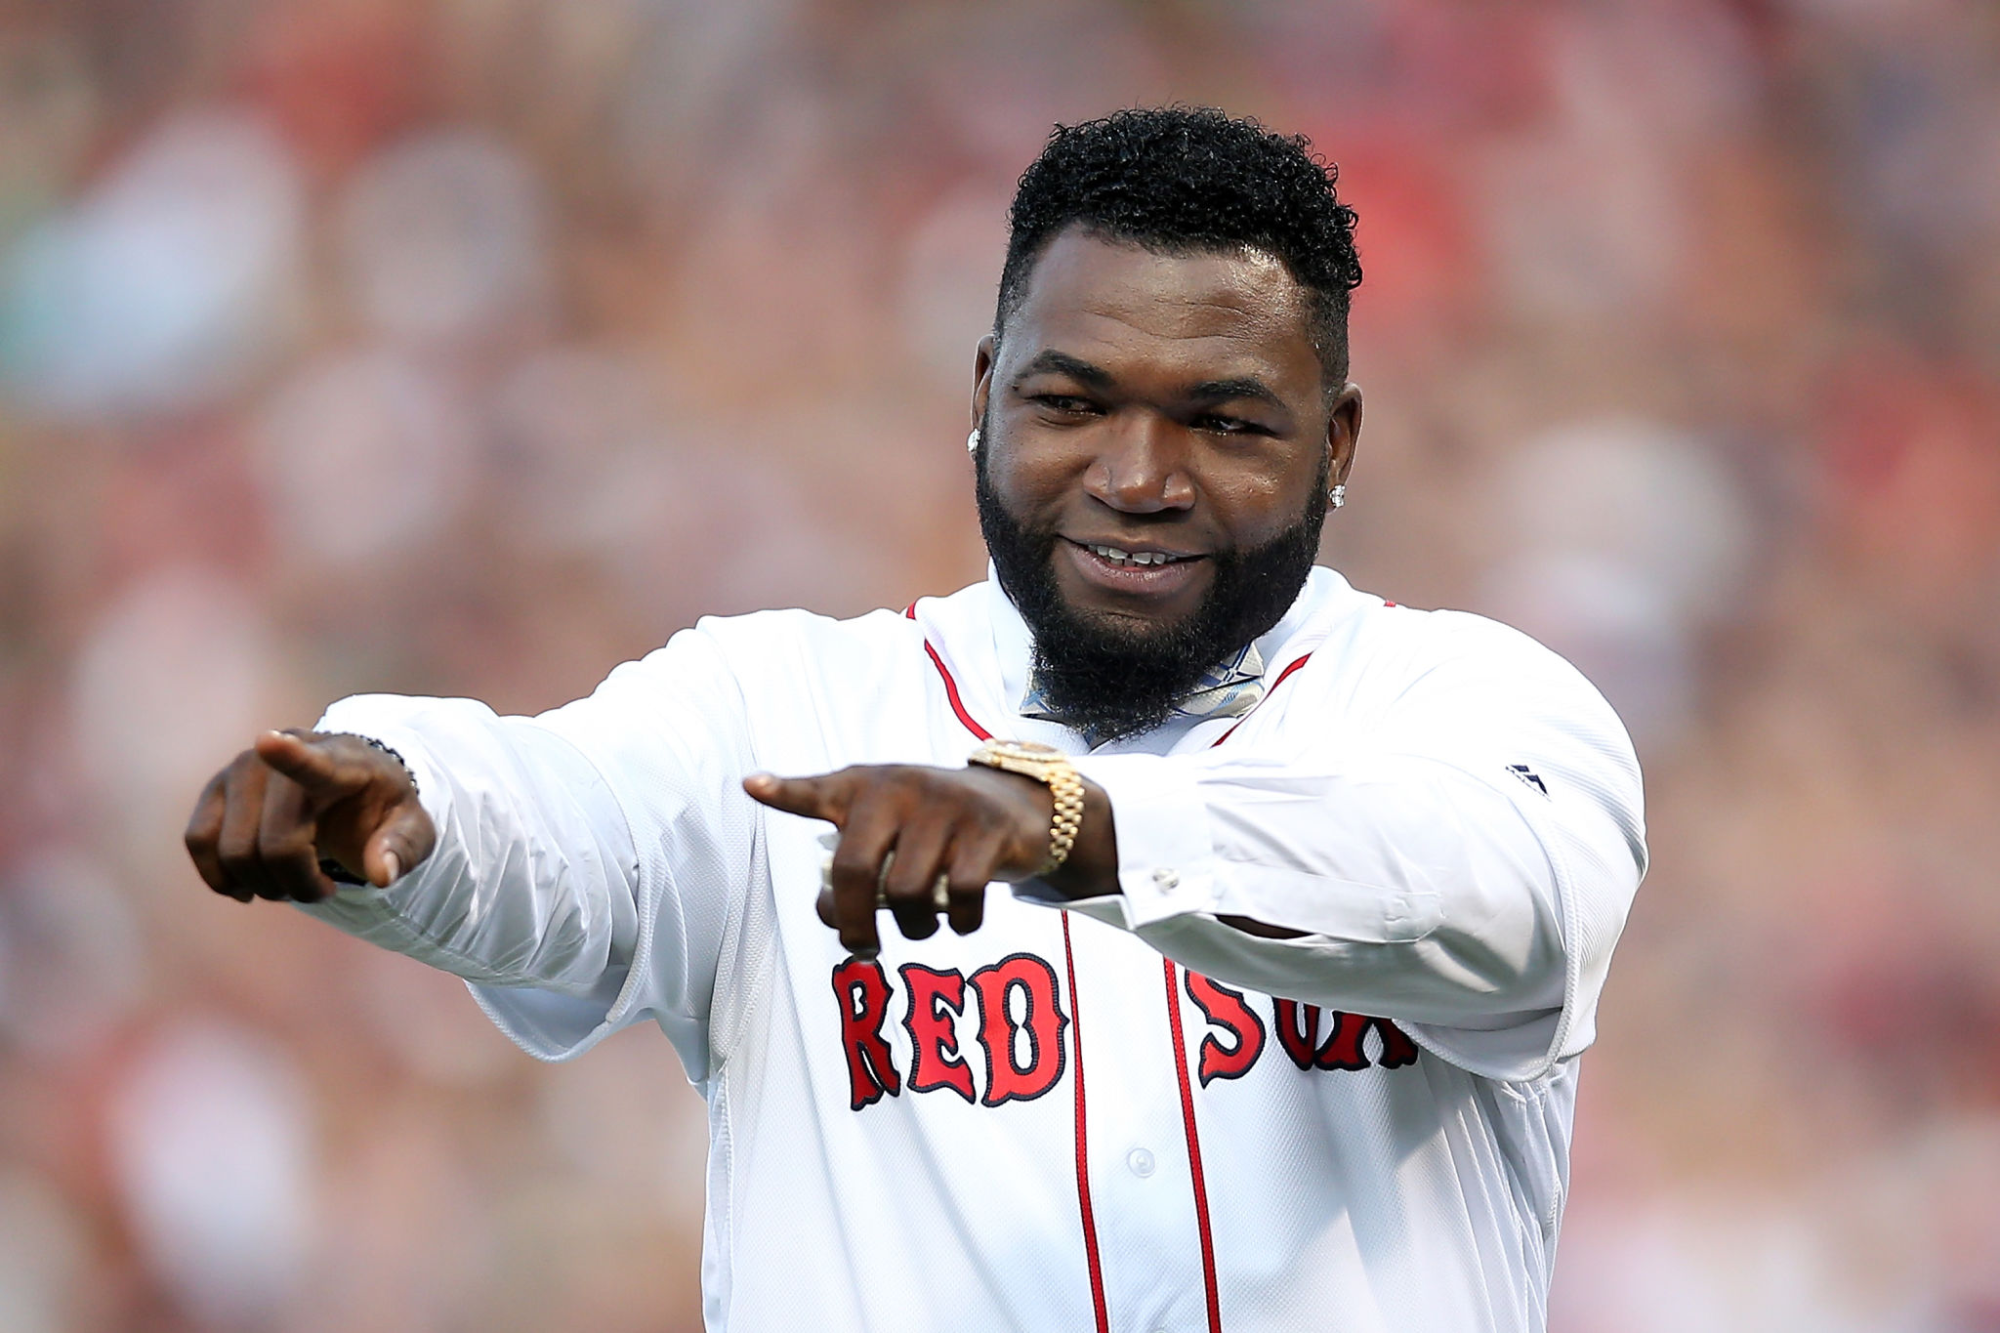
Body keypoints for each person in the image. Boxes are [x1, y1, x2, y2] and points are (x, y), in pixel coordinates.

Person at [184, 107, 1645, 1333]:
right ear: (985, 397)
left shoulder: (1472, 707)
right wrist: (411, 799)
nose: (1138, 475)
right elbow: (573, 822)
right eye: (1072, 402)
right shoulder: (791, 706)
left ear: (1336, 445)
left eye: (1227, 420)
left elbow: (1492, 900)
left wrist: (1075, 823)